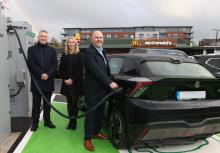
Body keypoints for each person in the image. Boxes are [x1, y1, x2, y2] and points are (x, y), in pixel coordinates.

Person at [84, 31, 118, 151]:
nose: (99, 39)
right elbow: (96, 70)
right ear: (91, 39)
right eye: (97, 37)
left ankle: (96, 133)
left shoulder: (103, 51)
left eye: (101, 37)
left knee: (99, 113)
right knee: (91, 115)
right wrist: (109, 82)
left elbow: (106, 70)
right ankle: (87, 138)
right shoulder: (89, 53)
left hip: (103, 90)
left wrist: (112, 80)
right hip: (93, 90)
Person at [28, 30, 57, 131]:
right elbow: (31, 64)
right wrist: (41, 74)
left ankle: (47, 121)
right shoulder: (31, 49)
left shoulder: (52, 50)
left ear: (47, 38)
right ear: (38, 37)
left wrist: (48, 74)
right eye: (41, 36)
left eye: (45, 36)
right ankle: (35, 123)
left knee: (47, 103)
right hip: (37, 81)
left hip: (48, 81)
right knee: (36, 104)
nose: (43, 38)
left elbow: (54, 65)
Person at [59, 37, 83, 130]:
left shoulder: (80, 55)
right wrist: (65, 79)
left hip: (76, 83)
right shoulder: (64, 55)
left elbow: (80, 69)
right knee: (69, 103)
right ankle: (70, 121)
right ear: (67, 44)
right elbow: (61, 69)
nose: (71, 44)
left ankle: (74, 123)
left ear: (75, 44)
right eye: (70, 42)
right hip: (66, 83)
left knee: (74, 103)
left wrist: (72, 79)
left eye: (73, 42)